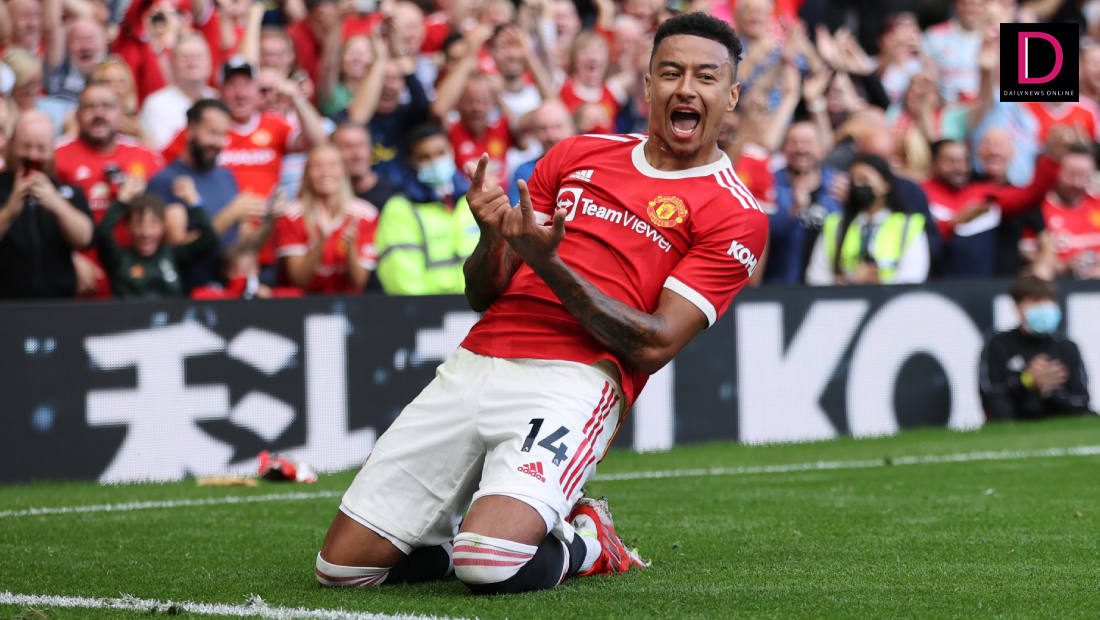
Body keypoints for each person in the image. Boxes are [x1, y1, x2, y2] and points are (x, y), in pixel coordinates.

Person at [317, 13, 767, 595]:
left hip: (574, 381)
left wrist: (549, 264)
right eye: (670, 73)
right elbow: (482, 293)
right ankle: (469, 534)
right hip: (477, 360)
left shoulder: (736, 214)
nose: (686, 89)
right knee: (344, 570)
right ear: (648, 84)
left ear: (731, 95)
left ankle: (589, 541)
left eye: (706, 77)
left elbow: (655, 344)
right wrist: (491, 239)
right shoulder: (577, 152)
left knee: (489, 564)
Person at [54, 82, 166, 297]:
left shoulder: (146, 156)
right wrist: (70, 259)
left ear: (121, 113)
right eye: (90, 107)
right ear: (77, 114)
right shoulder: (56, 155)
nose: (99, 113)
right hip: (79, 279)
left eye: (107, 106)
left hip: (134, 284)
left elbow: (165, 216)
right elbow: (38, 220)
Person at [147, 99, 261, 291]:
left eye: (223, 135)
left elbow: (242, 239)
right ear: (191, 130)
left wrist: (271, 221)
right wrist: (230, 214)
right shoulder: (165, 181)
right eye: (212, 133)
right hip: (188, 295)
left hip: (231, 294)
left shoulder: (226, 176)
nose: (218, 142)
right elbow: (177, 249)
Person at [922, 139, 1060, 278]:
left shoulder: (982, 194)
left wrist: (1053, 159)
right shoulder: (921, 193)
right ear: (933, 164)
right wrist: (954, 224)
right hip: (932, 283)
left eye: (964, 161)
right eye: (951, 161)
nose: (959, 168)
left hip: (980, 285)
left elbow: (1030, 196)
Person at [0, 111, 94, 299]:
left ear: (52, 151)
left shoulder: (68, 191)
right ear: (11, 145)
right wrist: (10, 210)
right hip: (6, 305)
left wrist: (56, 204)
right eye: (26, 146)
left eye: (41, 148)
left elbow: (85, 238)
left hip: (58, 305)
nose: (33, 155)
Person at [374, 124, 475, 295]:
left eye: (441, 153)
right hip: (430, 309)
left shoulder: (472, 199)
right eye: (425, 157)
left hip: (478, 307)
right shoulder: (400, 209)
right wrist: (427, 310)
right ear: (412, 162)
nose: (435, 162)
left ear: (451, 151)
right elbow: (403, 280)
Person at [979, 276, 1091, 421]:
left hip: (1057, 424)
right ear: (1019, 307)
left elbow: (1081, 402)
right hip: (1015, 424)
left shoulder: (1067, 347)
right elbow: (990, 395)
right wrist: (1028, 381)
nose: (1044, 307)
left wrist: (1049, 392)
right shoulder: (998, 344)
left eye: (1049, 301)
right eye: (1036, 301)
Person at [805, 154, 928, 285]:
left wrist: (879, 280)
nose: (858, 185)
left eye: (864, 180)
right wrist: (848, 281)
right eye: (854, 181)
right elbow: (816, 276)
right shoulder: (835, 225)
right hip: (844, 296)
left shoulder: (908, 225)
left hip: (891, 296)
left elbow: (914, 276)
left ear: (885, 184)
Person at [273, 145, 379, 294]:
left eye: (333, 165)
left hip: (348, 302)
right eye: (317, 166)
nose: (325, 173)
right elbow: (298, 280)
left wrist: (351, 248)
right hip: (305, 301)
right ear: (307, 174)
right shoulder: (291, 216)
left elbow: (358, 282)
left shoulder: (365, 215)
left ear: (344, 171)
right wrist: (321, 239)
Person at [96, 175, 218, 298]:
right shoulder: (117, 259)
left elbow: (209, 239)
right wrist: (123, 198)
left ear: (163, 226)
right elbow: (103, 233)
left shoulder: (173, 255)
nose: (146, 233)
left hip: (170, 310)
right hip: (128, 311)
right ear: (128, 227)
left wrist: (193, 200)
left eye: (153, 224)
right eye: (139, 224)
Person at [765, 121, 843, 284]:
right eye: (793, 142)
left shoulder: (838, 185)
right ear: (783, 148)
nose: (801, 149)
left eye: (808, 142)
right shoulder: (769, 184)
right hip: (780, 285)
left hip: (827, 287)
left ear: (821, 149)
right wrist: (794, 211)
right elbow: (760, 238)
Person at [140, 34, 221, 150]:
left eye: (199, 57)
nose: (192, 63)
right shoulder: (155, 105)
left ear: (210, 63)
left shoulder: (219, 99)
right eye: (184, 58)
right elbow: (163, 150)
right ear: (171, 64)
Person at [1040, 143, 1100, 280]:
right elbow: (1026, 255)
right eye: (1071, 175)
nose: (1076, 183)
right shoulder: (1039, 209)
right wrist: (1063, 266)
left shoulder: (1097, 204)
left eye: (1083, 176)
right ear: (1056, 171)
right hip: (1059, 285)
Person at [507, 101, 576, 206]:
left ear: (572, 129)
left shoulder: (588, 167)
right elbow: (515, 211)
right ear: (535, 133)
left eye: (558, 127)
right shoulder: (525, 172)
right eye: (543, 129)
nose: (551, 136)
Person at [332, 123, 397, 211]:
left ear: (371, 150)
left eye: (361, 145)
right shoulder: (327, 196)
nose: (357, 155)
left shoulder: (393, 195)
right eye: (347, 147)